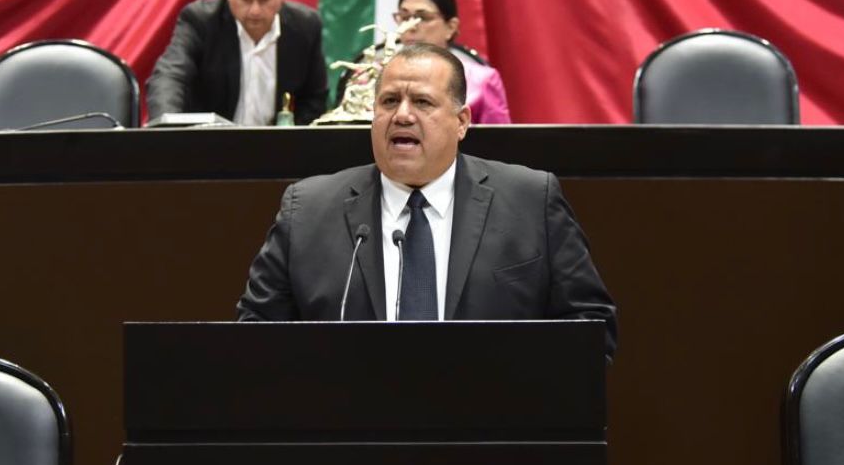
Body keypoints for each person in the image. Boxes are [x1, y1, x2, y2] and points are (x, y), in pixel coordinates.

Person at [237, 43, 617, 357]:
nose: (402, 115)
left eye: (422, 102)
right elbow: (254, 336)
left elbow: (591, 326)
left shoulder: (530, 200)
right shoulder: (308, 209)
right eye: (389, 101)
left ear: (462, 122)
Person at [146, 0, 328, 124]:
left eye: (264, 0)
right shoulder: (201, 21)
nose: (255, 11)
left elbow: (315, 98)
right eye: (246, 0)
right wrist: (169, 127)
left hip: (280, 142)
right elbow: (170, 75)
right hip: (211, 140)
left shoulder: (305, 27)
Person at [393, 0, 510, 124]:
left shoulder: (482, 80)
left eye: (422, 18)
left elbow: (499, 137)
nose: (410, 27)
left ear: (451, 27)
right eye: (404, 17)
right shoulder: (377, 75)